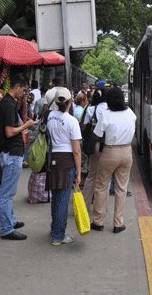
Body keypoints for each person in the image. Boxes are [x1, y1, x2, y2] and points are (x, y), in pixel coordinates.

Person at [0, 74, 36, 240]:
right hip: (12, 154)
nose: (24, 93)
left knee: (8, 192)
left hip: (10, 153)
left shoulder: (8, 103)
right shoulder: (9, 105)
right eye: (24, 90)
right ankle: (6, 229)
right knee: (6, 194)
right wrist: (26, 125)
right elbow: (10, 132)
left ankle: (10, 220)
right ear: (17, 87)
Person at [90, 87, 136, 234]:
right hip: (127, 152)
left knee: (102, 186)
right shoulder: (130, 113)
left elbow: (97, 134)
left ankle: (98, 221)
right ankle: (118, 223)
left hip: (110, 152)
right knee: (121, 189)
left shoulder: (106, 114)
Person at [46, 87, 82, 245]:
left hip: (52, 159)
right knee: (62, 199)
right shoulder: (71, 121)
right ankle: (58, 236)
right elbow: (76, 151)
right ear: (70, 102)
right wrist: (79, 173)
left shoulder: (50, 116)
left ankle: (55, 228)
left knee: (56, 197)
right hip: (66, 161)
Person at [81, 87, 108, 210]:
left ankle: (85, 205)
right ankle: (101, 206)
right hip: (107, 145)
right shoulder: (110, 109)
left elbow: (83, 127)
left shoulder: (91, 109)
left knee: (91, 175)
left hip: (94, 145)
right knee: (104, 177)